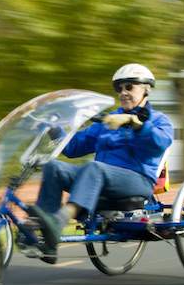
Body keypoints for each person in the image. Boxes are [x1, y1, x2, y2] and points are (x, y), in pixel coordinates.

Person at [32, 63, 173, 263]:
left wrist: (135, 124)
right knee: (54, 167)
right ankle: (45, 233)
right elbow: (73, 148)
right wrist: (53, 130)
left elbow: (159, 143)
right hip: (101, 179)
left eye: (129, 87)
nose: (123, 92)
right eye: (119, 88)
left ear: (146, 89)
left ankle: (59, 221)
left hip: (138, 181)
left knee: (93, 167)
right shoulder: (109, 120)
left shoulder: (159, 120)